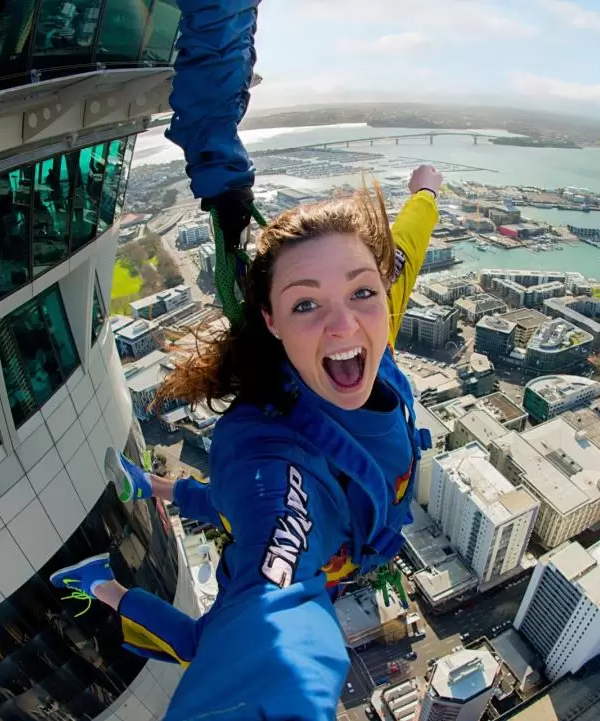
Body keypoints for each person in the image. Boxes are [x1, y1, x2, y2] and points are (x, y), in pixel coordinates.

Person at [50, 163, 443, 719]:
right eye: (305, 303)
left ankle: (147, 487)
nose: (343, 325)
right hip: (303, 547)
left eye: (362, 291)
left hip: (333, 534)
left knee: (222, 529)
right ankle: (100, 585)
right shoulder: (273, 456)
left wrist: (424, 191)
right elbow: (271, 608)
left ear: (381, 288)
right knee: (199, 640)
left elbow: (407, 243)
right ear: (272, 319)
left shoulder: (374, 318)